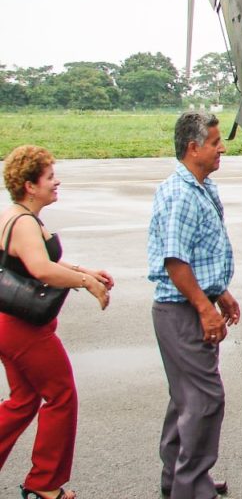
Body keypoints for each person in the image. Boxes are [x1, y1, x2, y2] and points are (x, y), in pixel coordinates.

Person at [0, 145, 112, 499]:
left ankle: (42, 481)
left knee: (24, 400)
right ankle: (44, 483)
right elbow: (41, 269)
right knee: (61, 395)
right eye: (50, 176)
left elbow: (38, 261)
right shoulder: (23, 223)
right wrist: (87, 283)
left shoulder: (17, 216)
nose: (56, 181)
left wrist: (83, 270)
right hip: (24, 330)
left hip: (10, 325)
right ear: (30, 185)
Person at [148, 112, 238, 499]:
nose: (222, 149)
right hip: (181, 311)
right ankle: (191, 485)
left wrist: (220, 293)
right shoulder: (181, 193)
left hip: (191, 302)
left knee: (185, 398)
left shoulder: (203, 186)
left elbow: (199, 253)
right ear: (193, 147)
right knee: (205, 400)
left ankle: (179, 479)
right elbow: (175, 261)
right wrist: (204, 309)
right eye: (216, 142)